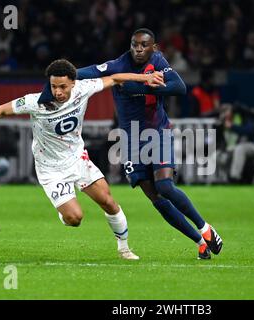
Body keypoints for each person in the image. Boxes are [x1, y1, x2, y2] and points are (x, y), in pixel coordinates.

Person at [39, 28, 223, 260]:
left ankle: (205, 229)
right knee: (156, 198)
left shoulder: (158, 61)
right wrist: (48, 89)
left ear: (153, 47)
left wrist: (140, 87)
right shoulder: (117, 66)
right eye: (135, 44)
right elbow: (78, 74)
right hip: (130, 141)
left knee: (165, 186)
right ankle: (200, 243)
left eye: (144, 45)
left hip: (158, 133)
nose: (138, 49)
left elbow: (180, 87)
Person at [0, 58, 165, 260]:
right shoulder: (35, 102)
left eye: (62, 86)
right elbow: (0, 110)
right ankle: (64, 211)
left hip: (77, 159)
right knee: (75, 218)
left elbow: (114, 78)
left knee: (109, 202)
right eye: (53, 86)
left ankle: (124, 249)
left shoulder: (83, 88)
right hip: (50, 168)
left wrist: (145, 77)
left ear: (73, 83)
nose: (58, 91)